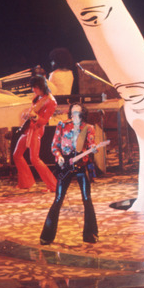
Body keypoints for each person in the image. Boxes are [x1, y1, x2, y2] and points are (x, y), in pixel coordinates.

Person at [40, 103, 99, 244]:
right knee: (58, 198)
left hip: (80, 166)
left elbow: (91, 145)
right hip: (65, 166)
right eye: (73, 113)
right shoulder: (62, 125)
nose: (75, 116)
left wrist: (94, 149)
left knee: (87, 199)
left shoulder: (88, 128)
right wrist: (59, 156)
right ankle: (47, 236)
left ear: (82, 114)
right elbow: (55, 145)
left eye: (77, 113)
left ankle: (90, 234)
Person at [13, 76, 58, 192]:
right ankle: (26, 182)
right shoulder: (39, 97)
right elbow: (32, 111)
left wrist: (34, 116)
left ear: (41, 87)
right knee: (16, 155)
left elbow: (44, 121)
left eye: (35, 87)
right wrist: (27, 114)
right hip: (28, 129)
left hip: (35, 130)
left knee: (34, 159)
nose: (33, 90)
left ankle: (53, 185)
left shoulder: (51, 101)